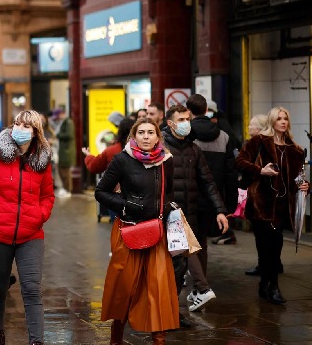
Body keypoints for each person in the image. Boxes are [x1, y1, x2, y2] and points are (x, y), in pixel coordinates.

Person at [0, 110, 54, 345]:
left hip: (31, 234)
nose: (19, 129)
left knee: (32, 289)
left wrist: (40, 215)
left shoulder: (42, 160)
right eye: (17, 124)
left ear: (36, 132)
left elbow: (48, 196)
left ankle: (37, 341)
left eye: (26, 126)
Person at [95, 118, 178, 344]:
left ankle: (158, 339)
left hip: (157, 232)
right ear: (134, 136)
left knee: (158, 287)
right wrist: (126, 205)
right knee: (124, 287)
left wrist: (170, 212)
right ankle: (116, 338)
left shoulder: (166, 161)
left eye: (151, 132)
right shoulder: (122, 159)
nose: (146, 136)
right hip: (128, 231)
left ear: (157, 137)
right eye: (141, 132)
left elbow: (169, 193)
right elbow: (101, 192)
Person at [162, 105, 229, 322]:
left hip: (188, 213)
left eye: (188, 118)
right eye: (181, 119)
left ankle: (175, 308)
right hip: (166, 214)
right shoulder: (160, 146)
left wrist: (220, 210)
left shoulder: (193, 149)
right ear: (171, 123)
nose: (186, 123)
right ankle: (193, 293)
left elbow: (208, 181)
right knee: (174, 264)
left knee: (181, 265)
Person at [236, 107, 309, 305]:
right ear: (272, 121)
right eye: (279, 119)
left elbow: (297, 179)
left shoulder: (294, 149)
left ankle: (270, 284)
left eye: (286, 118)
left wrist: (305, 186)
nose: (283, 122)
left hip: (283, 205)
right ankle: (269, 285)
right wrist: (260, 171)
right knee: (264, 247)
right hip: (261, 203)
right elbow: (240, 162)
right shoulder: (259, 142)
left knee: (276, 247)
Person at [187, 94, 238, 252]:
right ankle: (201, 275)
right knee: (202, 241)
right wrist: (229, 205)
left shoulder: (185, 136)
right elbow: (231, 174)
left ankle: (195, 276)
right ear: (207, 110)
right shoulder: (223, 137)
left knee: (189, 240)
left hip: (190, 197)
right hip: (214, 197)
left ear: (188, 112)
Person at [83, 117, 135, 223]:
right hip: (138, 197)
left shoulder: (111, 151)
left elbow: (94, 166)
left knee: (117, 230)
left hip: (117, 197)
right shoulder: (143, 151)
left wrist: (88, 156)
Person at [242, 114, 275, 277]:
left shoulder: (256, 145)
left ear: (260, 128)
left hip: (260, 195)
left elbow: (244, 166)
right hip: (266, 195)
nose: (248, 128)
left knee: (263, 234)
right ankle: (272, 264)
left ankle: (265, 265)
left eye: (251, 125)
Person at [51, 108, 75, 198]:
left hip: (66, 151)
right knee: (62, 170)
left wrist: (57, 135)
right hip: (63, 151)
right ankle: (65, 189)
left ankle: (68, 190)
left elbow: (69, 135)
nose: (57, 118)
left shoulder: (68, 122)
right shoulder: (64, 122)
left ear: (61, 114)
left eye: (58, 116)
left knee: (66, 172)